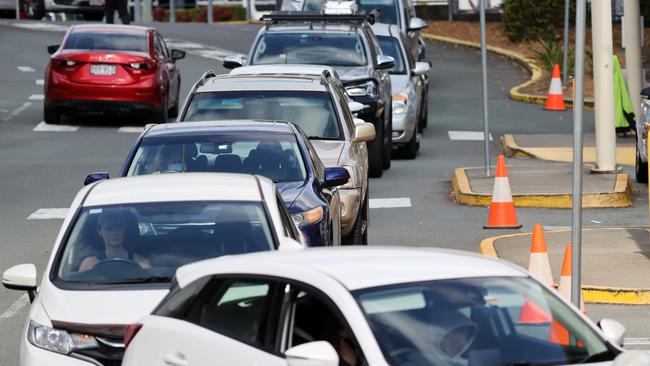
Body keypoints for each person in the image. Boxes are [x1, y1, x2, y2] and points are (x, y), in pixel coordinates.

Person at [79, 209, 150, 271]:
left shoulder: (142, 264)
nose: (114, 232)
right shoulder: (89, 265)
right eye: (109, 228)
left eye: (119, 227)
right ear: (99, 231)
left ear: (125, 229)